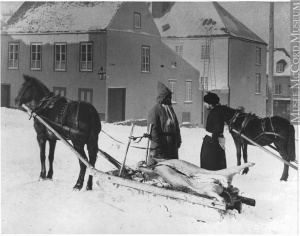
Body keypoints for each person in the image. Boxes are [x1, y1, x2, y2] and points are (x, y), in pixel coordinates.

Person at [147, 81, 182, 165]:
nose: (170, 99)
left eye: (170, 97)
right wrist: (156, 146)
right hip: (161, 144)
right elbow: (153, 130)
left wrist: (178, 139)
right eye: (167, 97)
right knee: (159, 167)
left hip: (172, 144)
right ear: (162, 97)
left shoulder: (170, 110)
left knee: (172, 167)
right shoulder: (155, 110)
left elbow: (176, 126)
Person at [200, 92, 227, 170]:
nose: (204, 105)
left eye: (205, 103)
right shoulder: (216, 111)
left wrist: (211, 142)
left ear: (210, 104)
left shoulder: (216, 113)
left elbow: (217, 128)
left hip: (213, 144)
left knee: (210, 165)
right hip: (214, 141)